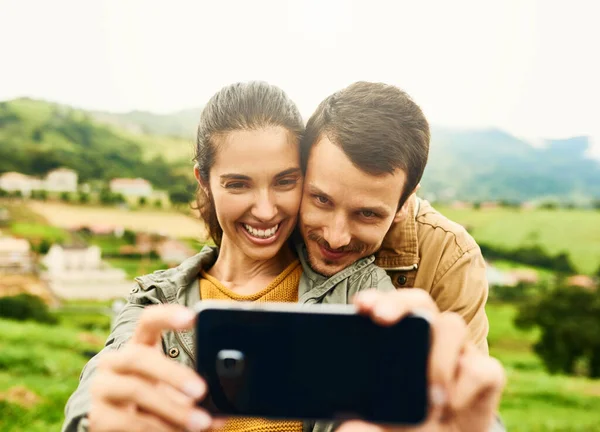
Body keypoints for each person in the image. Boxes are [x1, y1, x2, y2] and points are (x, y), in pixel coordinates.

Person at [63, 81, 504, 432]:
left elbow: (460, 399)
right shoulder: (156, 299)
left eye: (284, 182)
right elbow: (101, 386)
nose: (266, 209)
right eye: (238, 184)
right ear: (204, 180)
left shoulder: (367, 290)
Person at [296, 82, 490, 353]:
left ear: (405, 202)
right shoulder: (273, 220)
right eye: (322, 200)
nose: (335, 238)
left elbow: (463, 384)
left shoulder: (451, 257)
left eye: (367, 214)